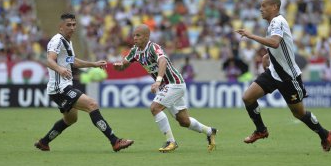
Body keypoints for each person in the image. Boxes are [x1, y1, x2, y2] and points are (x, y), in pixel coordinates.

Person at [236, 0, 331, 152]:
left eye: (264, 6)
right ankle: (261, 130)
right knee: (248, 97)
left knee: (299, 113)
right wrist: (268, 56)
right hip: (274, 72)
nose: (261, 9)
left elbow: (274, 42)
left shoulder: (277, 21)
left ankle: (325, 134)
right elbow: (281, 45)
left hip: (289, 76)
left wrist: (250, 35)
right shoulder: (274, 23)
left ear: (274, 7)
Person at [34, 13, 134, 152]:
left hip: (64, 86)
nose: (72, 27)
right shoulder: (57, 40)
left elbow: (72, 61)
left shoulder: (67, 41)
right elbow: (49, 60)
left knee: (71, 119)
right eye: (68, 25)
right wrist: (60, 70)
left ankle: (44, 142)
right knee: (92, 104)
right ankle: (115, 141)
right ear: (61, 27)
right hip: (59, 88)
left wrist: (93, 64)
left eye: (74, 24)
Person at [113, 24, 217, 153]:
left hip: (174, 83)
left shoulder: (153, 47)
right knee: (183, 121)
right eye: (134, 35)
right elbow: (124, 64)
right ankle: (209, 131)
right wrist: (119, 67)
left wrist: (158, 81)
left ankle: (171, 141)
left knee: (154, 108)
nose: (135, 38)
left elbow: (162, 61)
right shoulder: (135, 51)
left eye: (138, 35)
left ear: (146, 37)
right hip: (166, 86)